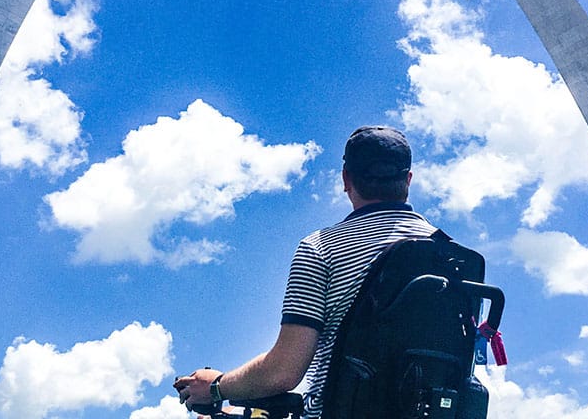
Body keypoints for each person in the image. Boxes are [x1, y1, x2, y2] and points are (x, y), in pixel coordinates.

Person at [174, 126, 437, 418]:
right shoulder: (454, 258)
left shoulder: (321, 248)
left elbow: (284, 372)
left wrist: (216, 387)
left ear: (346, 179)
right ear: (408, 180)